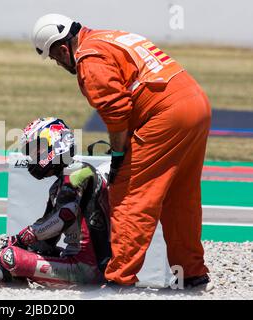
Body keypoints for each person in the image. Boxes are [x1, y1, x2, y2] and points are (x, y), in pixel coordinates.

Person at [30, 14, 212, 289]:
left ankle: (119, 279)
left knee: (130, 194)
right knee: (180, 195)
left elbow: (116, 112)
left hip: (166, 114)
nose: (58, 63)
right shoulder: (108, 37)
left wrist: (117, 156)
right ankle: (191, 273)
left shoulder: (89, 59)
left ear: (63, 49)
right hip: (196, 104)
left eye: (55, 58)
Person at [0, 118, 112, 287]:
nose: (34, 156)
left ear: (57, 142)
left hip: (89, 269)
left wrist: (24, 237)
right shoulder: (58, 187)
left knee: (10, 256)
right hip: (78, 261)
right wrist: (22, 244)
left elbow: (62, 217)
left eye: (38, 149)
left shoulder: (80, 172)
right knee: (16, 251)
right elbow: (47, 239)